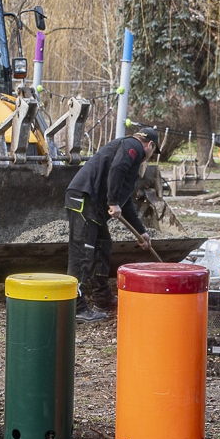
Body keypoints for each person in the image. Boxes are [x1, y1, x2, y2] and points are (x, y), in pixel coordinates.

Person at [65, 127, 158, 322]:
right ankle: (76, 307)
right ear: (150, 145)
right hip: (84, 197)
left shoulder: (129, 153)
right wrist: (112, 201)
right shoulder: (133, 146)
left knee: (102, 247)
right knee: (83, 252)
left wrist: (141, 232)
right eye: (152, 152)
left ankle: (103, 299)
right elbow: (117, 169)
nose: (148, 157)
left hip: (94, 206)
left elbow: (127, 204)